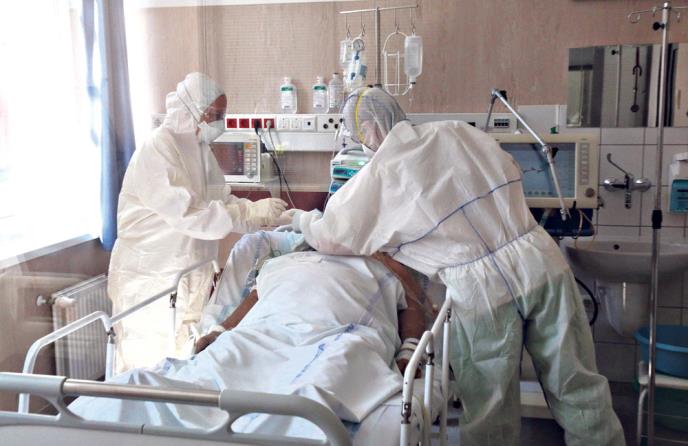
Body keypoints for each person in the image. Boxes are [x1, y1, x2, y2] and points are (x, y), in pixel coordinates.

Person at [281, 87, 625, 445]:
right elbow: (511, 169)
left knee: (489, 410)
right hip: (540, 261)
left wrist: (299, 220)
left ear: (367, 129)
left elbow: (333, 236)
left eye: (357, 137)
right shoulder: (457, 131)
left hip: (482, 292)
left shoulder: (380, 175)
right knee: (579, 387)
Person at [71, 234, 427, 443]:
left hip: (336, 336)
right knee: (155, 381)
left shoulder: (382, 268)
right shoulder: (282, 262)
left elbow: (414, 305)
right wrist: (220, 332)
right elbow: (251, 302)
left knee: (319, 386)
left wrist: (409, 350)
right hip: (259, 336)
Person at [108, 72, 287, 373]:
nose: (220, 124)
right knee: (147, 367)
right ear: (192, 110)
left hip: (188, 275)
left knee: (183, 362)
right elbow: (190, 215)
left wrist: (264, 215)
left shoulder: (201, 152)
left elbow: (222, 202)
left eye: (222, 116)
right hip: (151, 280)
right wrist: (250, 213)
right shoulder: (158, 149)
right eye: (215, 116)